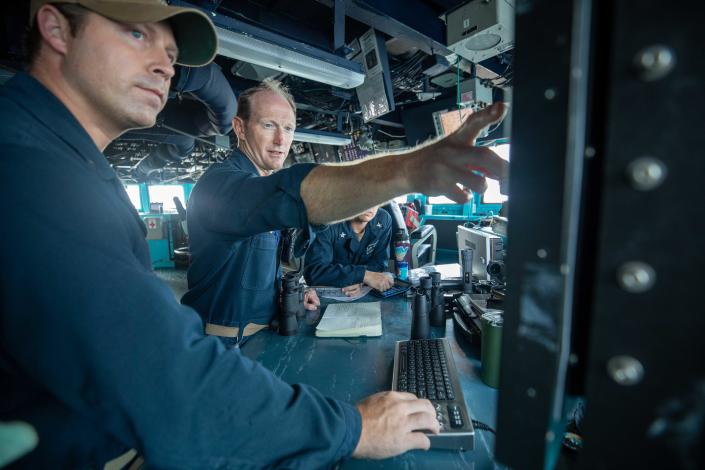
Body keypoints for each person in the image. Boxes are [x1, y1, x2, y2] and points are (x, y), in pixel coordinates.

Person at [0, 0, 508, 468]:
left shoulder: (64, 161)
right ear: (56, 27)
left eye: (172, 53)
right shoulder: (33, 171)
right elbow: (174, 386)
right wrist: (354, 427)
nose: (165, 66)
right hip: (203, 368)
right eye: (137, 35)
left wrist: (288, 290)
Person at [182, 79, 320, 346]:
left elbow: (260, 267)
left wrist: (292, 291)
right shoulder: (220, 185)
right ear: (240, 128)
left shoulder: (260, 184)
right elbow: (285, 197)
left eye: (288, 128)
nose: (281, 140)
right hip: (222, 346)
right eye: (269, 125)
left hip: (259, 336)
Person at [304, 206, 394, 296]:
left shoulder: (383, 219)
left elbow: (379, 263)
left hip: (363, 292)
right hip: (330, 293)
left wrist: (361, 281)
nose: (370, 206)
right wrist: (362, 275)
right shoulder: (327, 221)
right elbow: (314, 272)